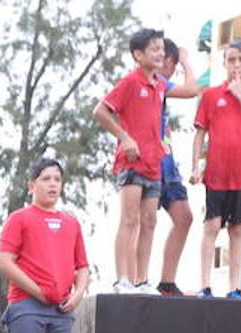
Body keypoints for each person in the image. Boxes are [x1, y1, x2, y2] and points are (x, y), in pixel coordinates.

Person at [0, 157, 90, 333]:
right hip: (26, 304)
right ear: (32, 185)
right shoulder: (20, 218)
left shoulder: (71, 223)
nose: (52, 184)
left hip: (61, 309)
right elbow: (4, 261)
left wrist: (78, 295)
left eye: (57, 179)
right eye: (46, 179)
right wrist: (37, 289)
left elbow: (82, 267)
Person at [190, 39, 241, 299]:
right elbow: (200, 134)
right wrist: (195, 166)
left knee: (237, 228)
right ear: (223, 62)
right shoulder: (211, 95)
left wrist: (240, 95)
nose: (236, 64)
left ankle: (235, 287)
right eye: (231, 59)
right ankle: (204, 284)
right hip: (216, 173)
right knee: (212, 225)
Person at [94, 28, 167, 294]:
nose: (160, 53)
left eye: (161, 48)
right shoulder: (130, 82)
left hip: (153, 162)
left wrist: (162, 144)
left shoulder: (159, 84)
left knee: (150, 221)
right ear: (138, 54)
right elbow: (100, 110)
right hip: (131, 162)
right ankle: (122, 278)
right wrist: (125, 137)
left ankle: (142, 279)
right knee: (130, 220)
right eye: (154, 49)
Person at [152, 38, 201, 296]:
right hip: (150, 164)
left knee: (184, 217)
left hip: (169, 165)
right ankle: (134, 279)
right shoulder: (155, 82)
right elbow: (193, 88)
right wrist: (186, 61)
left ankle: (167, 282)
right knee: (143, 220)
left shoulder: (161, 89)